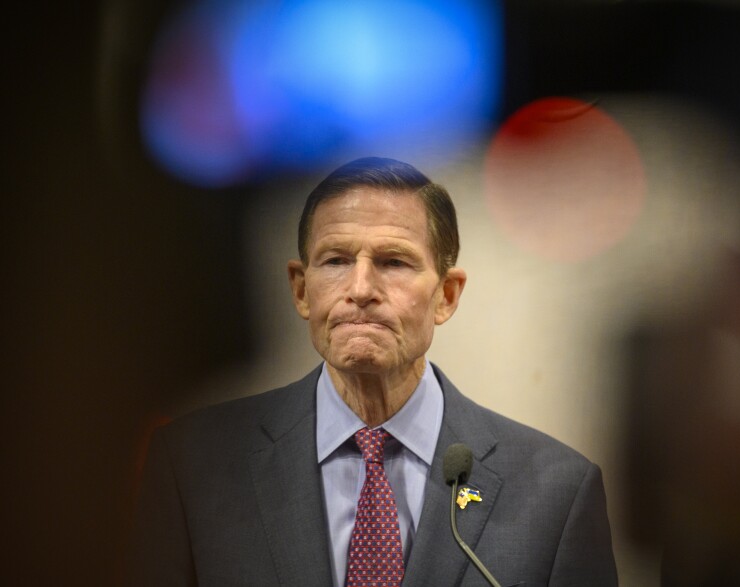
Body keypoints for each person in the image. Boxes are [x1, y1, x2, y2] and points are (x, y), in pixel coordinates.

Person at [129, 157, 618, 586]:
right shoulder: (194, 467)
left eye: (393, 262)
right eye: (336, 260)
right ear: (301, 290)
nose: (361, 288)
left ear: (446, 296)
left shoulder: (557, 493)